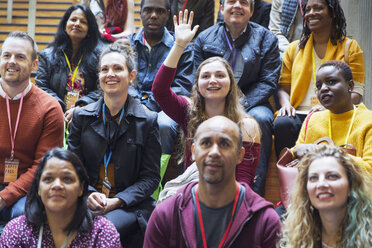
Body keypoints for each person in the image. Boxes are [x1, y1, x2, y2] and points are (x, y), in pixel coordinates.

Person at [68, 39, 161, 246]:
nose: (110, 74)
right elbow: (72, 169)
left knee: (101, 228)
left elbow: (151, 178)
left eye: (118, 68)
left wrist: (117, 201)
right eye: (104, 69)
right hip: (86, 199)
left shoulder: (148, 120)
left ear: (131, 76)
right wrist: (90, 193)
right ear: (99, 76)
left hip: (129, 205)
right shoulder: (81, 117)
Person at [153, 10, 261, 188]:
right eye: (205, 76)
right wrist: (179, 45)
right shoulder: (188, 113)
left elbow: (244, 182)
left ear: (230, 84)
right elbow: (160, 91)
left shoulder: (247, 126)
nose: (212, 80)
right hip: (192, 192)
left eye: (220, 75)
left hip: (230, 196)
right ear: (197, 85)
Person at [144, 116, 281, 247]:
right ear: (193, 151)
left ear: (240, 155)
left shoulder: (265, 220)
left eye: (225, 144)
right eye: (206, 143)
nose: (214, 152)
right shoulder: (166, 214)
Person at [195, 0, 281, 196]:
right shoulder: (204, 38)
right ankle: (199, 190)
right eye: (231, 1)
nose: (237, 6)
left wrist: (236, 107)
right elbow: (197, 79)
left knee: (260, 119)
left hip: (253, 102)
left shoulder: (267, 39)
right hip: (213, 101)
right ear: (222, 9)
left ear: (251, 11)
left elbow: (268, 82)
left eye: (244, 2)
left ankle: (252, 194)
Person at [273, 0, 365, 158]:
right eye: (308, 9)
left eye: (318, 8)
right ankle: (287, 176)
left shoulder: (350, 47)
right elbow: (283, 87)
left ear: (333, 13)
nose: (311, 13)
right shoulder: (293, 49)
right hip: (299, 113)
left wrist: (330, 107)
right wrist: (286, 105)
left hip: (334, 112)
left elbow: (356, 92)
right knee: (282, 123)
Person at [0, 31, 64, 223]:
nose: (12, 61)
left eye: (20, 57)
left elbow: (43, 166)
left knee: (27, 215)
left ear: (34, 65)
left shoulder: (49, 107)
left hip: (27, 191)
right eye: (6, 55)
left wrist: (4, 197)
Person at [0, 148, 122, 247]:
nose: (57, 185)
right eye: (48, 179)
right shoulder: (16, 230)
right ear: (38, 189)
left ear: (81, 188)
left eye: (67, 179)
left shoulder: (101, 233)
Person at [127, 0, 194, 156]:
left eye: (160, 11)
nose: (154, 15)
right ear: (140, 13)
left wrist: (149, 106)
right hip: (131, 103)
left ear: (168, 15)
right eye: (148, 10)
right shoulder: (127, 44)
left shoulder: (181, 46)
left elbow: (182, 85)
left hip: (165, 107)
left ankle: (157, 177)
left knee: (163, 125)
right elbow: (123, 81)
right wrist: (137, 105)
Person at [279, 145, 372, 247]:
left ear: (351, 185)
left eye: (332, 176)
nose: (321, 184)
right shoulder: (294, 238)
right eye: (313, 178)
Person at [292, 60, 372, 175]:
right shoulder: (313, 120)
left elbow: (369, 169)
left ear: (350, 85)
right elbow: (295, 154)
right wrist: (296, 150)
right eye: (319, 86)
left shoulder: (368, 120)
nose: (323, 89)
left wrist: (325, 152)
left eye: (331, 81)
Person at [35, 4, 102, 122]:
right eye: (73, 19)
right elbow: (42, 87)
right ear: (65, 25)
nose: (77, 24)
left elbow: (100, 89)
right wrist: (59, 107)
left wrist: (80, 107)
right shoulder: (47, 55)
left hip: (87, 116)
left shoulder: (99, 57)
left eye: (83, 22)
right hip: (53, 114)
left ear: (89, 29)